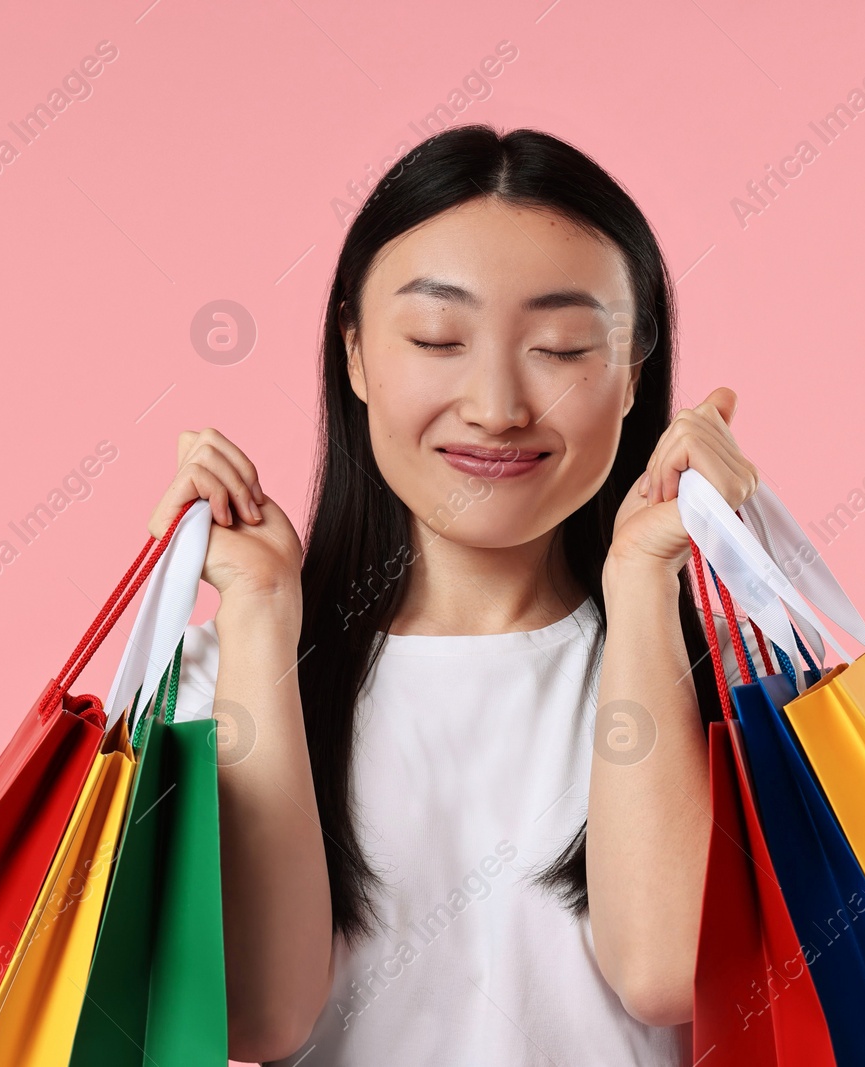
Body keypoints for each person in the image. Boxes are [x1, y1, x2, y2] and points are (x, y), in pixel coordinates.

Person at [143, 124, 761, 1065]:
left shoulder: (726, 680)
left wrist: (644, 587)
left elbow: (668, 970)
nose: (497, 404)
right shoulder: (220, 677)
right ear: (353, 353)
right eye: (438, 337)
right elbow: (259, 1017)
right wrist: (262, 621)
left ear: (635, 371)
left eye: (559, 347)